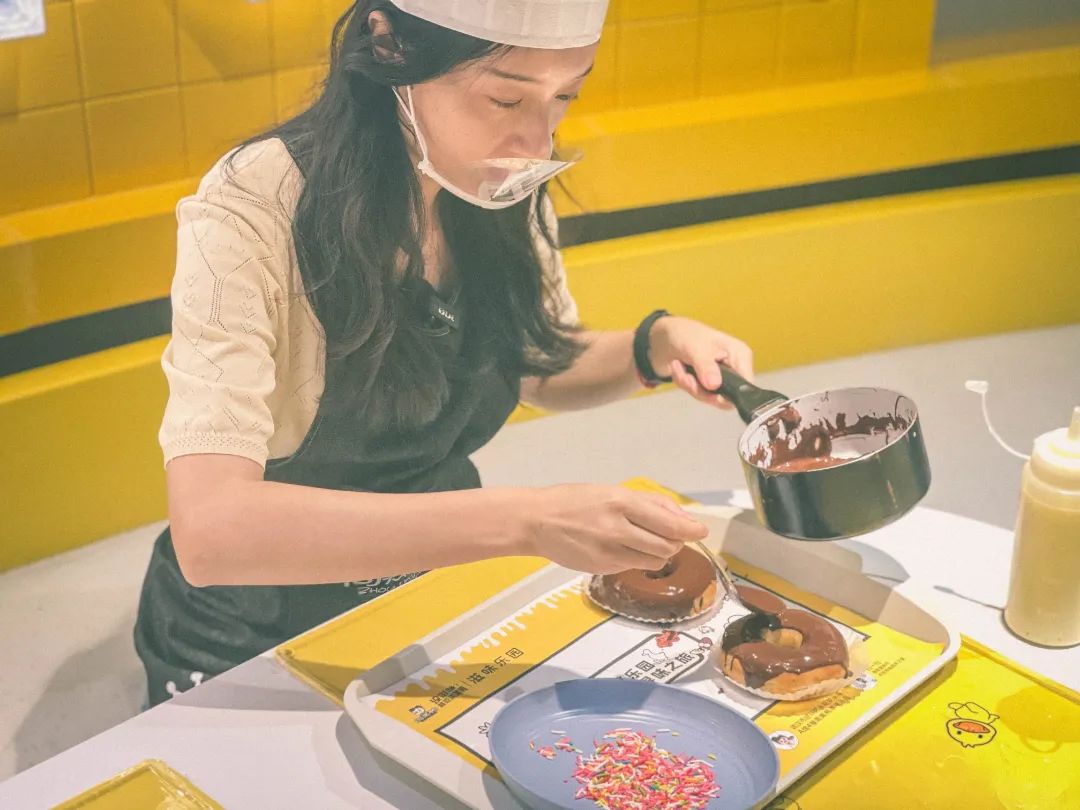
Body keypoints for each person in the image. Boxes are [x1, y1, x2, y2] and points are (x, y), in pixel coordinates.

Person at [134, 0, 754, 707]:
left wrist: (653, 345)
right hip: (255, 621)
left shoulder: (497, 185)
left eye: (565, 98)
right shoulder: (258, 203)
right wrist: (530, 521)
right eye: (505, 99)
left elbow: (534, 361)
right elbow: (213, 529)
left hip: (431, 585)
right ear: (390, 45)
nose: (536, 141)